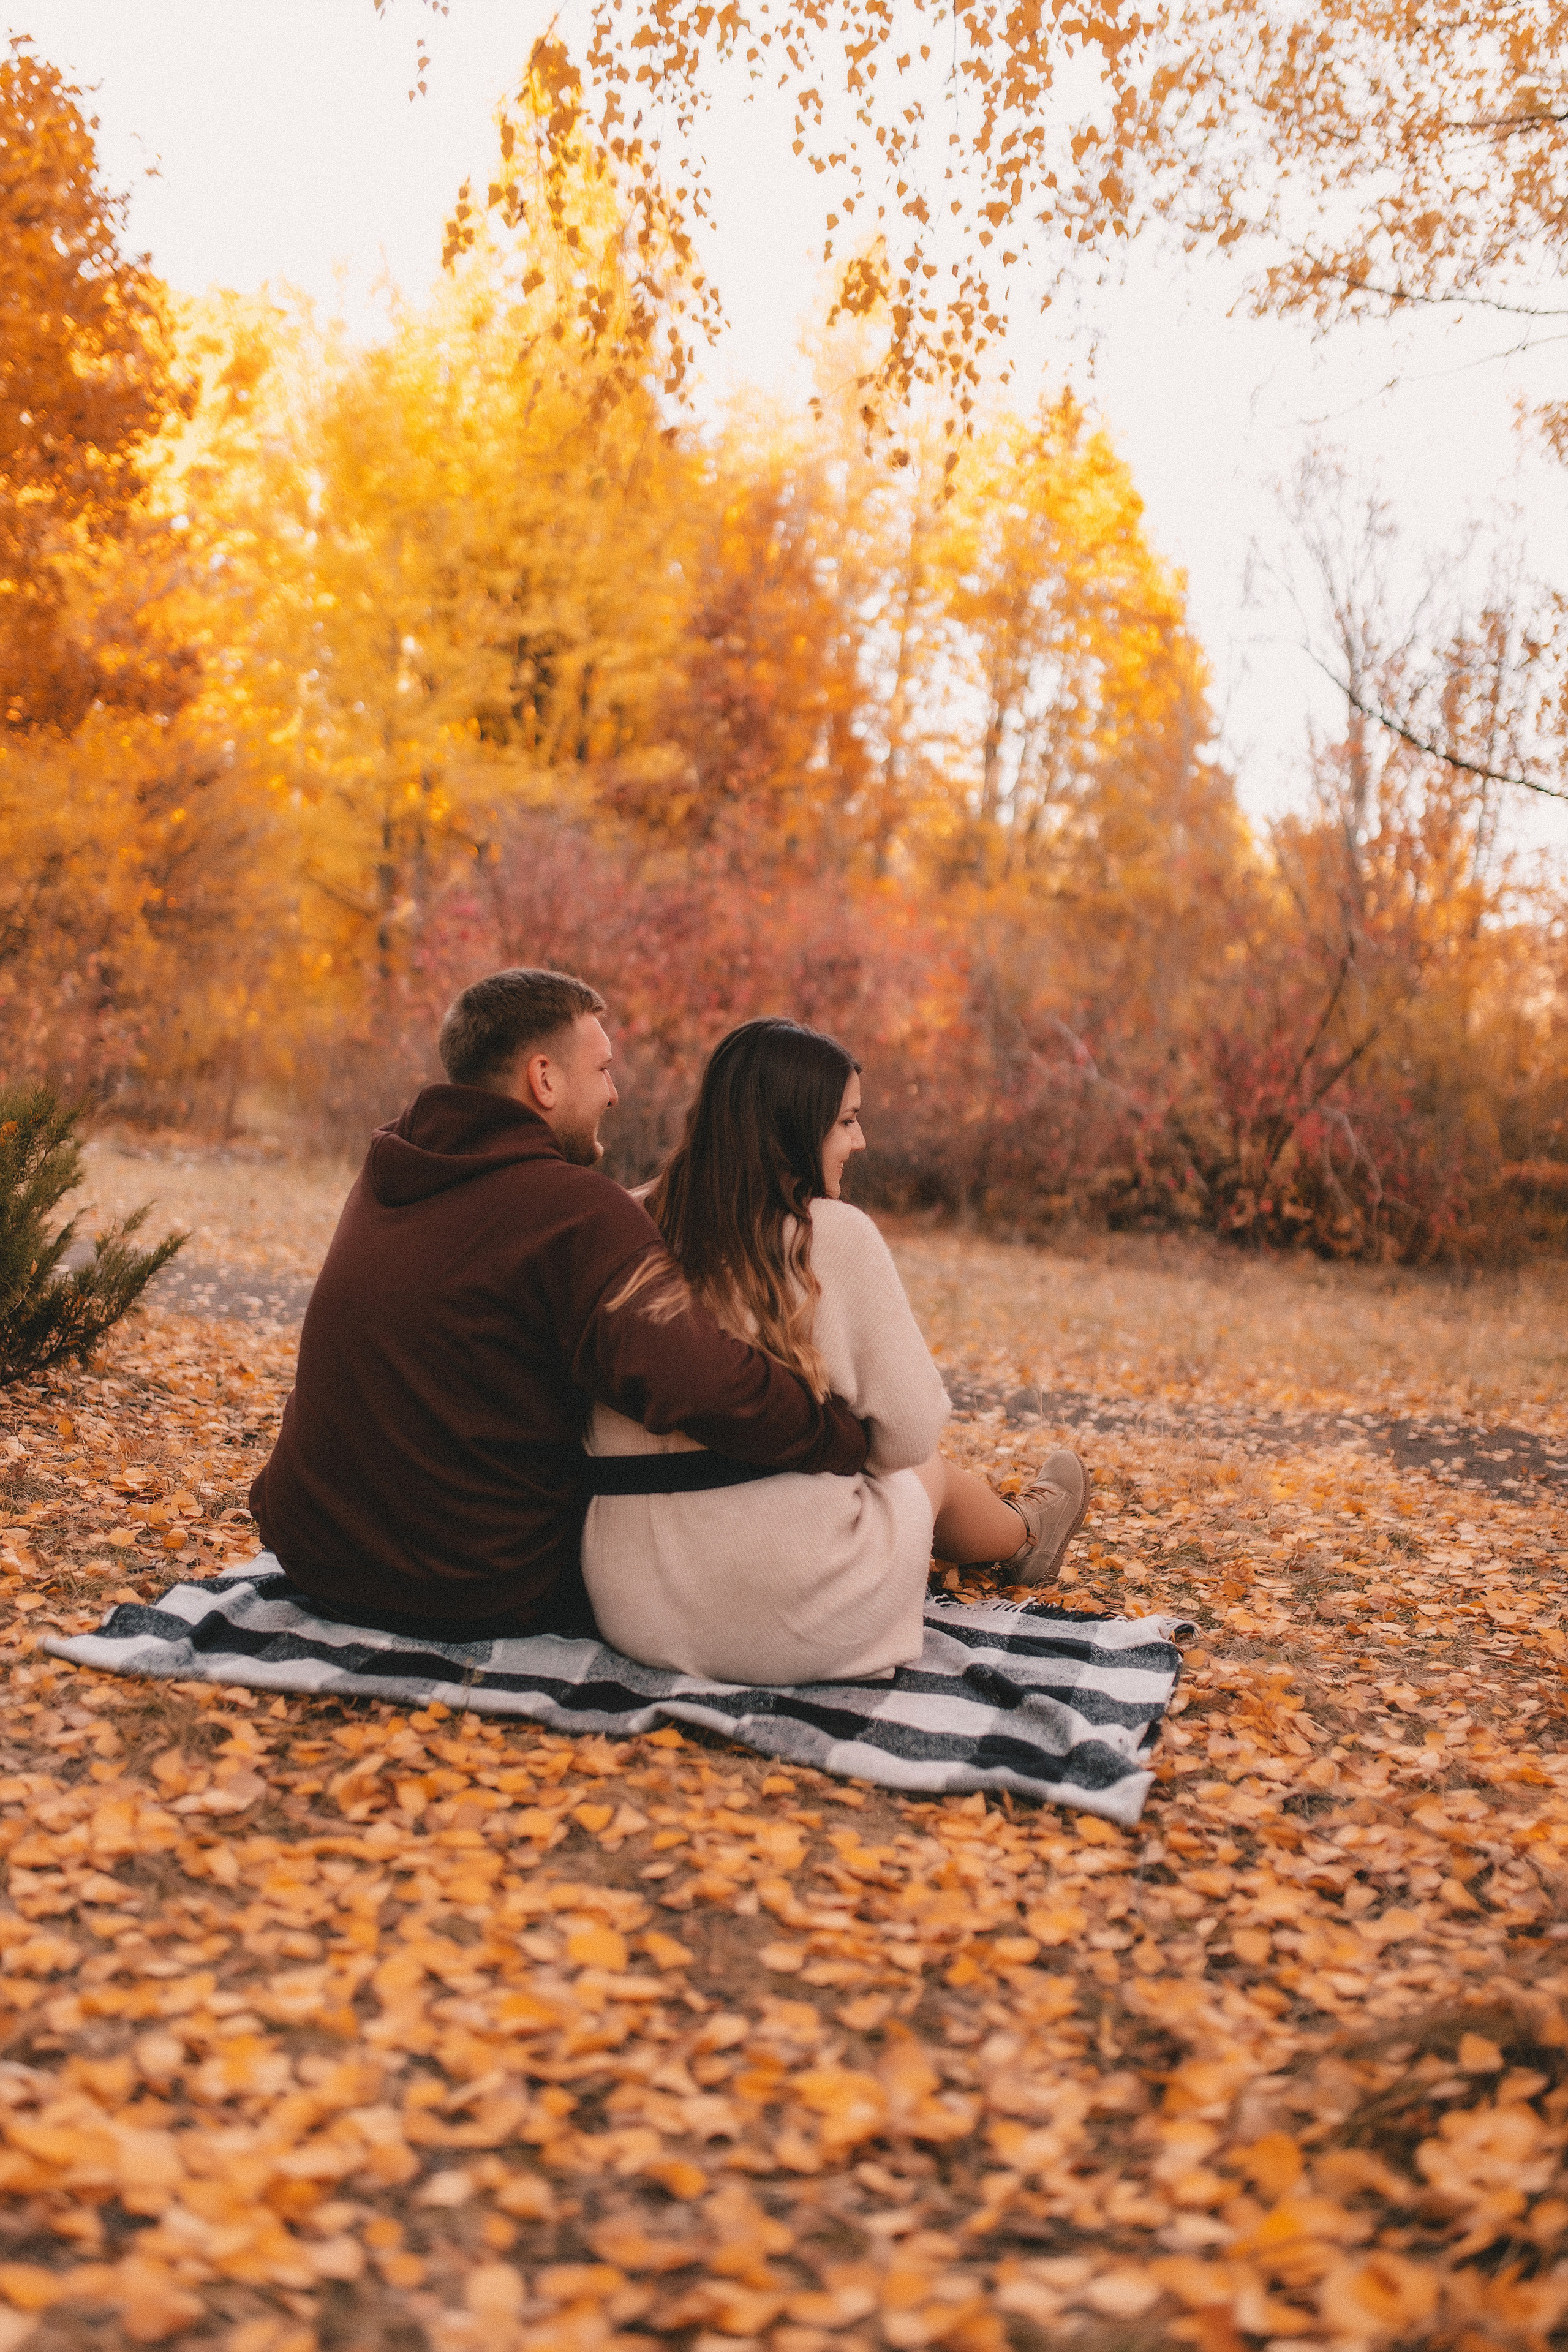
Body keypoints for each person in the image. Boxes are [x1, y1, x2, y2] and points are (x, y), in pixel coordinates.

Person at [249, 971, 869, 1638]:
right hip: (472, 1587)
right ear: (543, 1079)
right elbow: (705, 1384)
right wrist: (841, 1436)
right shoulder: (573, 1212)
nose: (614, 1092)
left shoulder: (393, 1170)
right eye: (602, 1069)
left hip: (315, 1558)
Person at [581, 1017, 1089, 1684]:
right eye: (846, 1121)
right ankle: (1026, 1534)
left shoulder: (620, 1223)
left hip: (633, 1609)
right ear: (794, 1125)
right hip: (793, 1618)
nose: (860, 1140)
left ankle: (1022, 1528)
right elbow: (909, 1435)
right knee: (924, 1470)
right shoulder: (830, 1236)